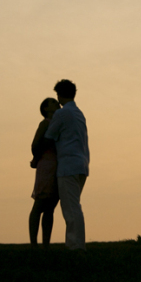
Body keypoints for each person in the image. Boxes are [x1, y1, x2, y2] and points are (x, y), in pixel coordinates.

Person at [43, 79, 90, 250]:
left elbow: (49, 136)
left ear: (60, 95)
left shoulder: (62, 114)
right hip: (81, 164)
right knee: (74, 206)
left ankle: (76, 246)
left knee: (71, 208)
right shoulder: (79, 113)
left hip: (68, 165)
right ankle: (75, 244)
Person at [29, 97, 61, 247]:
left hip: (57, 166)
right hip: (47, 165)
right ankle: (34, 243)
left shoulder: (58, 124)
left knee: (50, 208)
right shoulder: (44, 124)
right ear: (46, 108)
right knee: (40, 204)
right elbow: (35, 145)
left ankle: (46, 244)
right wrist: (37, 157)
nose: (56, 103)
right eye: (52, 102)